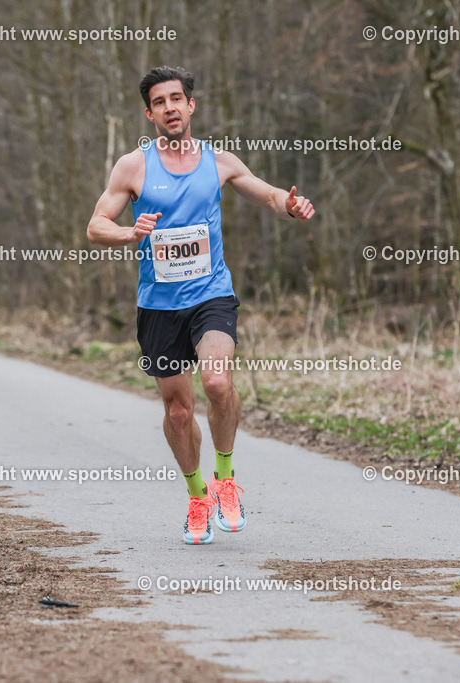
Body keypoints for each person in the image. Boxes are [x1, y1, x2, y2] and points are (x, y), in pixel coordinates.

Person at [86, 66, 315, 545]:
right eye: (160, 102)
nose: (170, 107)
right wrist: (129, 232)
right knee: (177, 415)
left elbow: (267, 193)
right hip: (159, 306)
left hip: (211, 294)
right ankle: (197, 496)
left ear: (191, 106)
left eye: (177, 98)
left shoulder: (219, 160)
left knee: (216, 380)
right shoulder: (133, 167)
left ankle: (226, 479)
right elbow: (95, 226)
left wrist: (289, 205)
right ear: (148, 113)